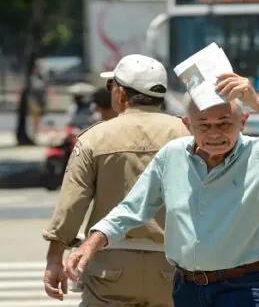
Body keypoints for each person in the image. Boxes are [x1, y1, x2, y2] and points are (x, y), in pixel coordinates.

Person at [64, 72, 259, 307]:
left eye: (224, 123)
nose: (214, 133)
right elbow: (132, 209)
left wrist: (257, 102)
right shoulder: (172, 155)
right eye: (204, 125)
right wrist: (89, 246)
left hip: (246, 285)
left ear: (243, 121)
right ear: (187, 126)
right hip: (186, 287)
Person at [42, 54, 190, 307]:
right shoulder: (189, 134)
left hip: (109, 263)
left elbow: (71, 204)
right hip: (174, 263)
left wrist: (54, 260)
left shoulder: (94, 138)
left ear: (121, 94)